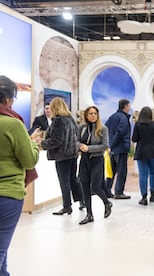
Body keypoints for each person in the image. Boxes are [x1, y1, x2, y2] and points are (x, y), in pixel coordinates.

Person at [0, 75, 39, 276]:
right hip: (7, 195)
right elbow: (29, 160)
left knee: (2, 255)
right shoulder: (12, 124)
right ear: (7, 98)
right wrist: (32, 142)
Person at [41, 97, 83, 215]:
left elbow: (56, 140)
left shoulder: (58, 121)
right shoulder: (71, 119)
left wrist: (42, 143)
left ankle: (67, 206)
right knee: (73, 179)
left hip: (62, 156)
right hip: (73, 154)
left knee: (64, 181)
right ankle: (82, 201)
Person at [77, 106, 112, 225]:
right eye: (91, 113)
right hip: (84, 161)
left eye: (95, 113)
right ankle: (89, 214)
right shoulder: (82, 128)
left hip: (97, 160)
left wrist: (89, 148)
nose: (93, 115)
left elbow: (105, 145)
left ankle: (106, 202)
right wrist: (80, 146)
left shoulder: (103, 129)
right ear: (86, 115)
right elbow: (76, 141)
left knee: (95, 186)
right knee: (84, 186)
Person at [132, 106, 154, 205]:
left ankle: (144, 197)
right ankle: (153, 195)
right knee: (153, 173)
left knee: (143, 175)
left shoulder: (138, 125)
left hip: (141, 152)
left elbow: (134, 139)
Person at [105, 99, 132, 200]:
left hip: (113, 150)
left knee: (111, 171)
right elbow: (120, 132)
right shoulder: (123, 118)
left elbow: (105, 129)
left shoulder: (112, 117)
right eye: (129, 106)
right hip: (120, 149)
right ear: (125, 106)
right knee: (121, 171)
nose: (130, 108)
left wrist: (109, 145)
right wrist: (112, 144)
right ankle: (119, 192)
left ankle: (107, 190)